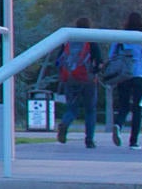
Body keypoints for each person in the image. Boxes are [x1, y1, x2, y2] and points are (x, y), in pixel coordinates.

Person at [44, 16, 104, 148]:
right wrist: (95, 71)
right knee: (90, 110)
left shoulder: (68, 40)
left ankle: (65, 123)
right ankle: (89, 139)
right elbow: (99, 61)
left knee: (71, 108)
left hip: (70, 79)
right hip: (87, 79)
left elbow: (59, 60)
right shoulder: (91, 40)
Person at [103, 12, 142, 149]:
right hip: (140, 75)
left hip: (123, 75)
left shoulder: (121, 38)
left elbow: (112, 56)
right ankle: (133, 141)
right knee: (137, 108)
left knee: (123, 105)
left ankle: (118, 124)